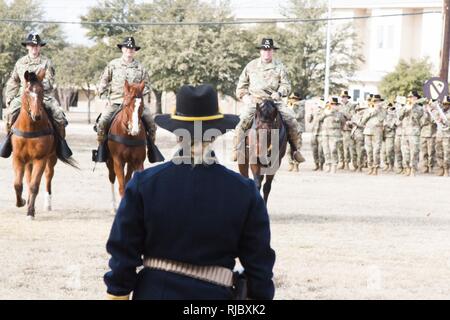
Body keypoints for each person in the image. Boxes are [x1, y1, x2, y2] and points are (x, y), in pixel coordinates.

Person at [104, 84, 276, 300]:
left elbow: (123, 255)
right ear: (215, 135)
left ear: (177, 134)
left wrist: (117, 294)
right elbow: (259, 266)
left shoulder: (143, 184)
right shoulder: (245, 192)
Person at [233, 38, 304, 164]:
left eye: (269, 50)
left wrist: (280, 93)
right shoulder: (251, 66)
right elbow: (241, 87)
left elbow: (286, 85)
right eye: (264, 50)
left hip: (274, 101)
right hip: (255, 101)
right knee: (243, 120)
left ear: (273, 51)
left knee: (292, 120)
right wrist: (245, 97)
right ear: (260, 51)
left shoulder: (279, 67)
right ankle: (236, 149)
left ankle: (295, 150)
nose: (267, 52)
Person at [96, 37, 156, 149]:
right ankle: (101, 148)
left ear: (135, 51)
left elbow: (147, 85)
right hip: (116, 101)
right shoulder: (113, 65)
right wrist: (105, 98)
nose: (130, 50)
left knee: (151, 122)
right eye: (127, 47)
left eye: (132, 48)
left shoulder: (140, 67)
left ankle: (152, 148)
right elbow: (103, 82)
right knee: (102, 121)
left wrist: (139, 96)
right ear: (122, 49)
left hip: (135, 103)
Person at [4, 33, 67, 137]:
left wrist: (37, 87)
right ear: (27, 46)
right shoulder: (20, 62)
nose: (35, 48)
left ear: (40, 47)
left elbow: (50, 81)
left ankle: (61, 144)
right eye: (32, 45)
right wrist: (9, 97)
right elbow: (13, 80)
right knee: (9, 114)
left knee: (59, 116)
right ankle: (8, 141)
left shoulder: (46, 62)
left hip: (43, 95)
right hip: (23, 95)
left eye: (37, 45)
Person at [398, 90, 424, 176]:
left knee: (414, 152)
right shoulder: (405, 107)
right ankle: (407, 169)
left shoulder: (420, 108)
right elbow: (400, 117)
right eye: (409, 97)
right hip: (404, 133)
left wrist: (413, 107)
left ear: (416, 98)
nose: (410, 99)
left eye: (412, 97)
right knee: (405, 152)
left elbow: (418, 118)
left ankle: (413, 169)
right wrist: (406, 108)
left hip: (414, 133)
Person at [318, 97, 346, 173]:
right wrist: (325, 113)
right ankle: (328, 165)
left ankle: (334, 165)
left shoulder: (339, 114)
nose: (332, 105)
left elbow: (343, 122)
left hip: (335, 134)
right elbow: (318, 119)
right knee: (326, 150)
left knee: (333, 149)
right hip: (325, 133)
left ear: (337, 105)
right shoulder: (325, 112)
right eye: (331, 104)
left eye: (334, 104)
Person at [361, 94, 386, 175]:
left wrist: (377, 110)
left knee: (376, 150)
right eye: (374, 101)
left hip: (377, 131)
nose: (376, 103)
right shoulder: (367, 110)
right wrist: (371, 112)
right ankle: (370, 167)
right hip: (368, 131)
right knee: (369, 151)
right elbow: (363, 121)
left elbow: (382, 118)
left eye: (378, 101)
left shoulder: (382, 110)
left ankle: (375, 167)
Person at [287, 91, 306, 172]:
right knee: (288, 149)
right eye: (291, 98)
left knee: (296, 148)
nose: (292, 100)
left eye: (294, 98)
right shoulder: (289, 106)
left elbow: (298, 116)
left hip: (297, 129)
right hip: (289, 129)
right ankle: (290, 163)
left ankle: (296, 165)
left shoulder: (300, 106)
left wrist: (290, 111)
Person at [338, 90, 357, 170]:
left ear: (347, 98)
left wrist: (343, 113)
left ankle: (347, 162)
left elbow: (352, 116)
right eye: (342, 97)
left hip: (347, 128)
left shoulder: (351, 106)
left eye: (345, 97)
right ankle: (341, 161)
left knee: (347, 147)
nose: (344, 98)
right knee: (339, 146)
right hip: (339, 128)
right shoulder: (338, 105)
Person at [434, 95, 450, 177]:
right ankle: (441, 168)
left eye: (446, 104)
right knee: (438, 152)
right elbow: (434, 120)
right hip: (439, 135)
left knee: (446, 153)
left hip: (447, 136)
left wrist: (445, 121)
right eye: (444, 104)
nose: (445, 105)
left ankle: (446, 169)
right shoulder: (440, 112)